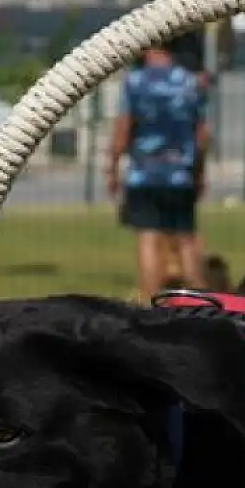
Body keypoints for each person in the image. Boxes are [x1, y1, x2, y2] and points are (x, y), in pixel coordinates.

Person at [105, 39, 211, 303]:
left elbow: (124, 128)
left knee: (149, 237)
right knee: (186, 237)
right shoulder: (189, 82)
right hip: (180, 173)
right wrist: (199, 171)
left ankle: (153, 301)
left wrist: (113, 167)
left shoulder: (136, 82)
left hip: (145, 173)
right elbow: (202, 134)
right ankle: (200, 301)